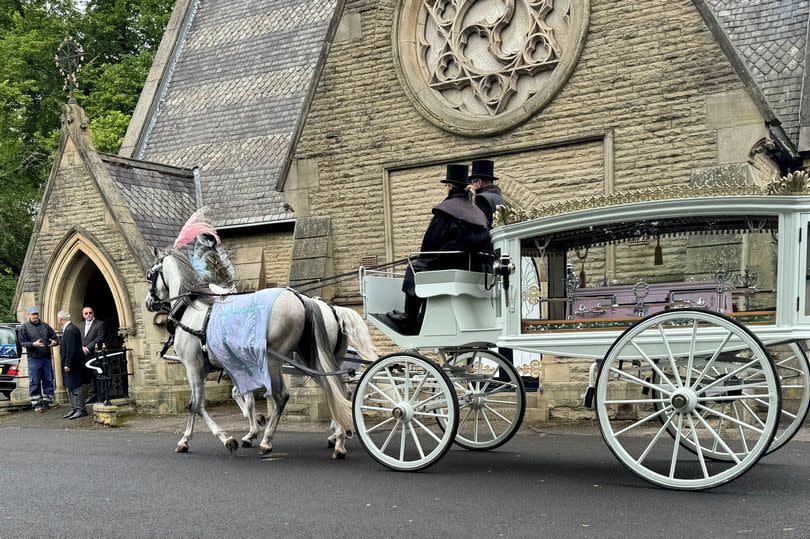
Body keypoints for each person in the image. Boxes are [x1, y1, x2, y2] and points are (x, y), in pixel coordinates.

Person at [386, 163, 490, 334]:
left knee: (416, 267)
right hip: (471, 266)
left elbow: (430, 242)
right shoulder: (477, 213)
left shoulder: (447, 210)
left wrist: (422, 257)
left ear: (450, 187)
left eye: (446, 186)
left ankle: (409, 318)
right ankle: (420, 315)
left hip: (448, 263)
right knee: (422, 264)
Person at [18, 306, 59, 413]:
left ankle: (48, 401)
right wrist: (33, 344)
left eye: (36, 314)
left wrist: (55, 342)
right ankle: (36, 404)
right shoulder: (24, 327)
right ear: (29, 315)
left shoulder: (45, 326)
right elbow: (22, 342)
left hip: (46, 357)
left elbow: (55, 337)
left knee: (48, 379)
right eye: (33, 314)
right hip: (33, 358)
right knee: (35, 381)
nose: (35, 316)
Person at [57, 310, 88, 419]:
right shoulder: (69, 329)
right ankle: (74, 408)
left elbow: (71, 349)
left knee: (76, 387)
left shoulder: (70, 330)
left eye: (58, 319)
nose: (58, 321)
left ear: (61, 319)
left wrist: (68, 364)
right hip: (71, 364)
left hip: (73, 364)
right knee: (70, 387)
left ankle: (81, 409)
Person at [470, 159, 505, 228]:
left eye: (472, 182)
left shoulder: (480, 198)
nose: (471, 185)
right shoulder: (499, 198)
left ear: (479, 182)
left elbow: (479, 226)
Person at [80, 306, 105, 404]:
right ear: (83, 315)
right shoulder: (80, 325)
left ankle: (101, 396)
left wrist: (87, 348)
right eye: (86, 313)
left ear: (93, 313)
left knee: (98, 375)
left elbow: (99, 338)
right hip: (84, 355)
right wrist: (81, 347)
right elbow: (79, 338)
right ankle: (92, 396)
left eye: (90, 313)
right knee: (89, 376)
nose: (88, 315)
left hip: (96, 354)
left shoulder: (100, 324)